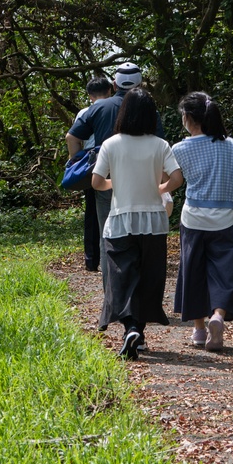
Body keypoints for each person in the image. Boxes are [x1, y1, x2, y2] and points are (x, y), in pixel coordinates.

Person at [67, 62, 163, 329]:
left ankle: (112, 302)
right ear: (141, 84)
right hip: (144, 187)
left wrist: (79, 161)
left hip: (107, 181)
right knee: (141, 244)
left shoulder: (99, 107)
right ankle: (138, 310)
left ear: (113, 84)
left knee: (108, 240)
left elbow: (72, 136)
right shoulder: (148, 108)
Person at [90, 88, 182, 359]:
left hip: (121, 220)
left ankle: (130, 328)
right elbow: (177, 178)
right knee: (148, 277)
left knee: (122, 275)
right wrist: (160, 186)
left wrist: (115, 184)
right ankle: (138, 333)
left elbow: (96, 182)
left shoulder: (111, 144)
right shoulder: (159, 144)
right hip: (154, 220)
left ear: (125, 113)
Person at [171, 92, 233, 351]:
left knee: (193, 271)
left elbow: (170, 180)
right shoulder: (231, 146)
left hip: (193, 218)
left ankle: (198, 330)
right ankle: (218, 316)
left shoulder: (180, 149)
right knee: (225, 272)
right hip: (225, 219)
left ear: (188, 118)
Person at [74, 76, 113, 272]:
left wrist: (75, 162)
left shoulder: (84, 112)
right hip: (114, 161)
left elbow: (74, 138)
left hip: (91, 164)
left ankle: (91, 260)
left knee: (92, 213)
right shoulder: (116, 109)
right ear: (110, 91)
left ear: (89, 95)